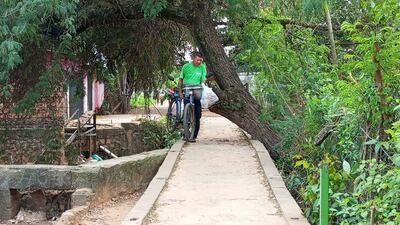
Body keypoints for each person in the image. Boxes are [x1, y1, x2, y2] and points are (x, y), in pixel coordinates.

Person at [178, 51, 207, 142]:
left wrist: (203, 86)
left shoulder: (202, 66)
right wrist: (180, 92)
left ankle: (193, 136)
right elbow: (180, 79)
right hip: (187, 89)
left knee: (197, 115)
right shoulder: (186, 66)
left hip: (197, 90)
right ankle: (185, 133)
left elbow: (203, 79)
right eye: (198, 60)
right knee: (186, 112)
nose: (199, 62)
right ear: (193, 58)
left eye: (200, 60)